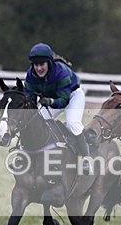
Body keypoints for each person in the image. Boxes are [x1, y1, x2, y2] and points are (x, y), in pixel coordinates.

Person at [24, 42, 90, 173]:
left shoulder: (61, 71)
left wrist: (49, 101)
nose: (39, 68)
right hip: (52, 99)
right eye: (36, 65)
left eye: (42, 64)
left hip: (72, 96)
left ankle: (86, 159)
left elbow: (64, 101)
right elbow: (30, 98)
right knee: (36, 121)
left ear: (49, 62)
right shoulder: (30, 75)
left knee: (73, 123)